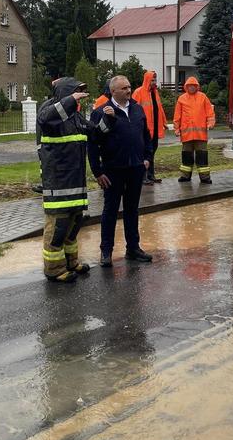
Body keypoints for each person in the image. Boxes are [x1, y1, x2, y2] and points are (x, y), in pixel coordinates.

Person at [37, 77, 115, 282]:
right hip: (59, 183)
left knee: (73, 226)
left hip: (75, 182)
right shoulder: (49, 114)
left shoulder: (76, 118)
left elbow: (96, 134)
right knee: (57, 229)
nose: (80, 97)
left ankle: (71, 262)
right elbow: (47, 118)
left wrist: (109, 120)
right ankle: (53, 269)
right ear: (66, 94)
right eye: (77, 93)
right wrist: (71, 100)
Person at [88, 75, 153, 268]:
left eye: (129, 87)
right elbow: (93, 145)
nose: (128, 90)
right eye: (124, 88)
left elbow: (146, 136)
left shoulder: (137, 109)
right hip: (113, 170)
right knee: (110, 211)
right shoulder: (101, 112)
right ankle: (106, 251)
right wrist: (98, 172)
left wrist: (148, 158)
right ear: (113, 91)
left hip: (135, 168)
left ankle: (133, 248)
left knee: (132, 210)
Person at [173, 76, 216, 184]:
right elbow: (177, 116)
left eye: (193, 86)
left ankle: (205, 177)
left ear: (197, 86)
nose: (192, 87)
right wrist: (176, 129)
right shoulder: (181, 98)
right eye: (189, 86)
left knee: (202, 156)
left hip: (200, 135)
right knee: (186, 156)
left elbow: (210, 113)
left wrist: (211, 123)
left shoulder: (203, 97)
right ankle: (185, 176)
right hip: (186, 135)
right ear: (186, 87)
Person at [131, 70, 167, 185]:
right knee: (143, 153)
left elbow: (159, 109)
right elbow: (132, 110)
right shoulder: (138, 92)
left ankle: (151, 176)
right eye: (152, 80)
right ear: (147, 80)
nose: (154, 82)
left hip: (154, 130)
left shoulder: (155, 93)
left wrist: (164, 122)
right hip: (143, 130)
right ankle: (142, 177)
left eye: (155, 80)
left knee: (151, 152)